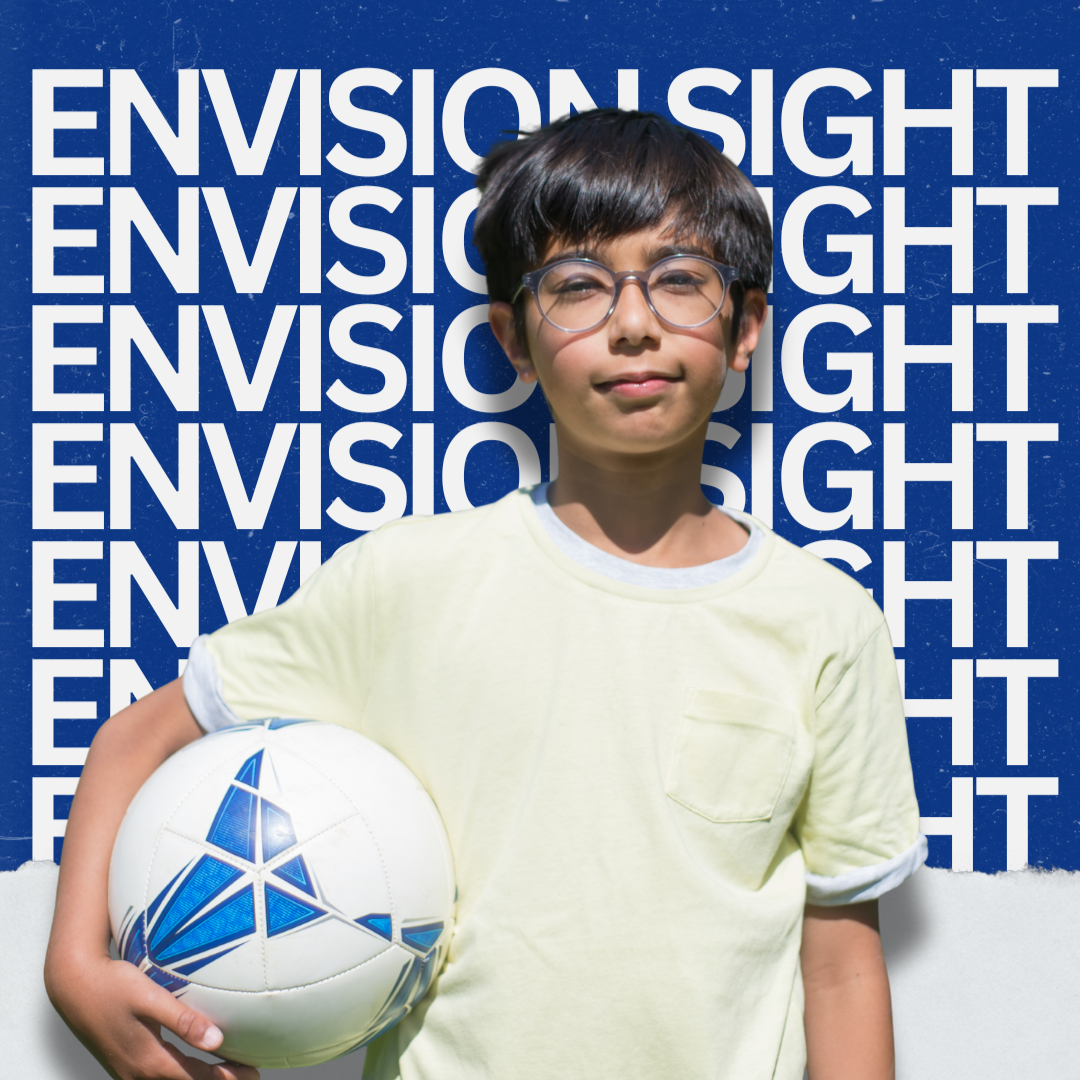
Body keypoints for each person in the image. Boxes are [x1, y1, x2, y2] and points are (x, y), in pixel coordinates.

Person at [45, 108, 924, 1080]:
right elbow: (139, 737)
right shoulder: (407, 585)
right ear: (514, 338)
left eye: (679, 280)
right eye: (579, 286)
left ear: (746, 325)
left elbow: (840, 966)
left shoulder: (824, 623)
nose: (634, 323)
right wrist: (75, 967)